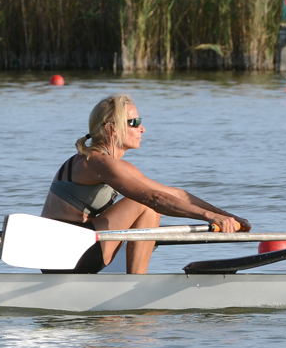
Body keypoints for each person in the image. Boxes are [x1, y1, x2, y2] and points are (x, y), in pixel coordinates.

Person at [41, 94, 250, 274]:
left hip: (71, 251)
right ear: (111, 128)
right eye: (134, 122)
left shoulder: (114, 165)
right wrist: (209, 217)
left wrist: (226, 216)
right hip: (64, 254)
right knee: (145, 203)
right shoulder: (97, 162)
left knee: (149, 207)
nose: (142, 128)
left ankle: (136, 283)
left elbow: (176, 194)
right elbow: (154, 198)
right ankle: (136, 286)